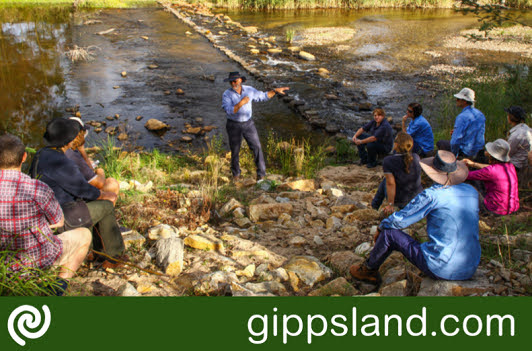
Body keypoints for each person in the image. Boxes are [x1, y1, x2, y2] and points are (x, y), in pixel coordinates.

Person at [350, 150, 480, 283]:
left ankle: (369, 269)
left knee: (389, 234)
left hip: (441, 268)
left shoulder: (433, 195)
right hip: (470, 267)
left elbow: (401, 220)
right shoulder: (471, 191)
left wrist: (381, 227)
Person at [0, 134, 91, 292]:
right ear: (24, 157)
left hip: (3, 265)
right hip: (37, 260)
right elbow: (59, 221)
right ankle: (58, 287)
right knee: (84, 235)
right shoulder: (37, 188)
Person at [30, 118, 125, 264]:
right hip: (61, 216)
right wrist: (105, 195)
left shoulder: (41, 154)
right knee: (106, 205)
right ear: (68, 141)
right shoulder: (61, 162)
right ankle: (113, 256)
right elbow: (84, 190)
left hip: (46, 213)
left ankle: (94, 249)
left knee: (94, 204)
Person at [221, 71, 289, 182]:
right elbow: (229, 111)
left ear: (241, 80)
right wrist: (241, 103)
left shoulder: (249, 90)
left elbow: (263, 96)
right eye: (231, 81)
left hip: (248, 124)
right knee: (235, 150)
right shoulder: (226, 94)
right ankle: (236, 175)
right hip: (233, 125)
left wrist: (275, 91)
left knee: (257, 147)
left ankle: (261, 175)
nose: (234, 83)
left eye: (236, 80)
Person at [66, 117, 120, 199]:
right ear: (78, 136)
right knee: (112, 184)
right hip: (74, 200)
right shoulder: (73, 156)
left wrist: (81, 150)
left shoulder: (64, 150)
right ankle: (105, 210)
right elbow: (99, 183)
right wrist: (100, 171)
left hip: (66, 193)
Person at [463, 139, 519, 216]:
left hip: (496, 210)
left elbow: (466, 176)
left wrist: (455, 168)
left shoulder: (490, 171)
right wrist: (473, 164)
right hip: (513, 208)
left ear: (491, 155)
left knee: (469, 184)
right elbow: (491, 168)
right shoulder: (510, 166)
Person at [371, 132, 423, 214]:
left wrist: (390, 204)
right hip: (416, 199)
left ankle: (374, 206)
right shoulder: (416, 157)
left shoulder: (388, 160)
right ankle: (374, 205)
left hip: (401, 201)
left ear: (396, 144)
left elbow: (391, 184)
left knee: (386, 180)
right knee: (387, 179)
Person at [436, 88, 486, 160]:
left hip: (466, 152)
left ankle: (447, 164)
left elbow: (455, 142)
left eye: (458, 99)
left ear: (465, 101)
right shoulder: (480, 114)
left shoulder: (462, 117)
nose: (456, 100)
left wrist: (454, 155)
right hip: (478, 150)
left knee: (440, 143)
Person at [505, 106, 531, 186]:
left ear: (511, 117)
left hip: (515, 166)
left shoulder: (516, 135)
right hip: (525, 164)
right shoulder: (528, 129)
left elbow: (507, 153)